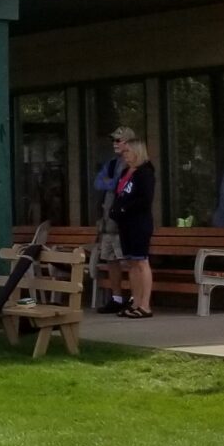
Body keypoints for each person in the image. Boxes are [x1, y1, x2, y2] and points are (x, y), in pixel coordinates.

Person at [110, 138, 158, 319]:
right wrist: (115, 210)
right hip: (125, 223)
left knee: (141, 261)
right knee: (131, 263)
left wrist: (125, 208)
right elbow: (118, 194)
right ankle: (135, 302)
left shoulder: (145, 173)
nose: (124, 155)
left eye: (127, 151)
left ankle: (145, 305)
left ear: (137, 152)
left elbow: (145, 199)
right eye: (123, 152)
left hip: (139, 223)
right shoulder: (125, 172)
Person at [91, 127, 137, 311]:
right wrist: (114, 182)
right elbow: (98, 183)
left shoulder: (134, 162)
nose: (115, 144)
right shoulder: (111, 163)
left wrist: (114, 182)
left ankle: (135, 298)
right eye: (114, 141)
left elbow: (126, 185)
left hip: (125, 222)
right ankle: (117, 298)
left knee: (131, 261)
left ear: (129, 142)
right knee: (111, 259)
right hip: (108, 221)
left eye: (119, 140)